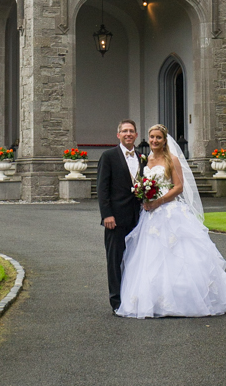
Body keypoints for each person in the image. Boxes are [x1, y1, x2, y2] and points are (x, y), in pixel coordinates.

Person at [116, 123, 226, 319]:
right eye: (152, 137)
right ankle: (156, 300)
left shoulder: (171, 159)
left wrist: (158, 201)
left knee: (178, 255)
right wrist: (144, 196)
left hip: (169, 211)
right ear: (148, 139)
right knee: (150, 257)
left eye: (158, 137)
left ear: (165, 140)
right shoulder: (145, 160)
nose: (155, 141)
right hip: (149, 215)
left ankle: (186, 299)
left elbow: (179, 187)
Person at [97, 119, 145, 312]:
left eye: (131, 131)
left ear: (136, 135)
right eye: (124, 131)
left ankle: (132, 298)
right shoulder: (109, 156)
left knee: (135, 260)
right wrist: (107, 215)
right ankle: (116, 302)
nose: (128, 134)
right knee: (115, 261)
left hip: (138, 218)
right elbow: (102, 188)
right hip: (115, 219)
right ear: (118, 135)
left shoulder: (142, 157)